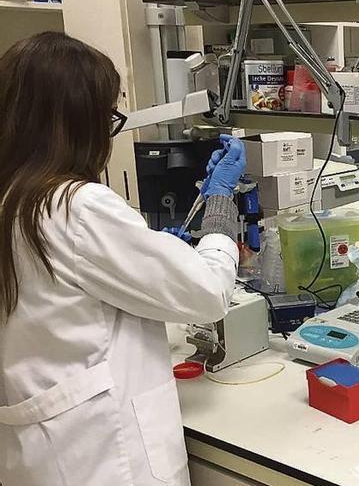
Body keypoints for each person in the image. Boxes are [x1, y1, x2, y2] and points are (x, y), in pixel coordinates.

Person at [0, 32, 246, 486]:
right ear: (79, 122)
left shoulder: (15, 198)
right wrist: (220, 203)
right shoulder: (76, 206)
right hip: (102, 456)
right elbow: (209, 294)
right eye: (109, 118)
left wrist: (151, 255)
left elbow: (69, 305)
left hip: (38, 449)